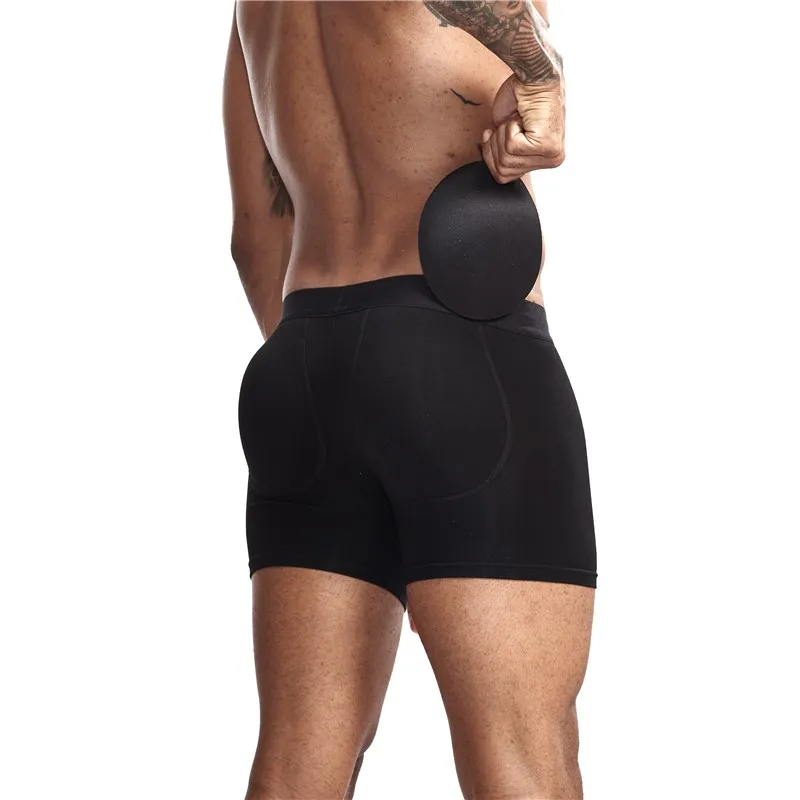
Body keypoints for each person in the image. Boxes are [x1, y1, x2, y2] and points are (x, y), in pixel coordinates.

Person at [223, 2, 597, 798]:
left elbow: (255, 238)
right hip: (459, 363)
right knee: (525, 757)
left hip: (303, 371)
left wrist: (363, 418)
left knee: (295, 767)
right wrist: (541, 76)